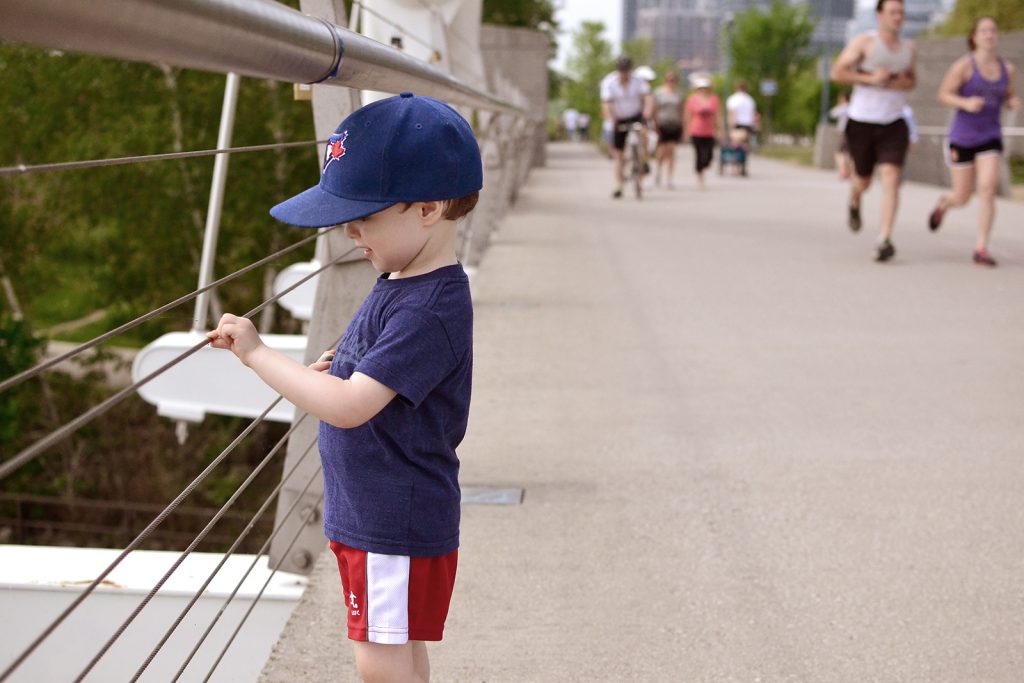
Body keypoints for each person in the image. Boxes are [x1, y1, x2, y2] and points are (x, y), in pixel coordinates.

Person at [207, 92, 480, 683]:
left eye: (365, 216)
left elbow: (354, 406)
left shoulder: (427, 307)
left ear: (429, 207)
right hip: (384, 510)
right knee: (396, 643)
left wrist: (257, 353)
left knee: (379, 662)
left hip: (392, 518)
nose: (350, 230)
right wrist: (339, 361)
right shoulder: (403, 276)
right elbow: (372, 371)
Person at [927, 16, 1021, 267]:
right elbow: (943, 94)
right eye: (984, 31)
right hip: (963, 137)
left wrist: (1012, 101)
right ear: (974, 37)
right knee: (963, 196)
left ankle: (981, 248)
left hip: (990, 136)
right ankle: (945, 204)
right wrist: (965, 103)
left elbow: (1008, 93)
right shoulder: (963, 67)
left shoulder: (1007, 69)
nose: (990, 35)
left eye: (993, 30)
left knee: (988, 188)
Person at [830, 0, 917, 263]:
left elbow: (912, 80)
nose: (898, 17)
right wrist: (869, 79)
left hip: (893, 122)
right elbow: (837, 73)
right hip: (862, 121)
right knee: (864, 181)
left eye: (901, 12)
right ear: (880, 15)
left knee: (891, 177)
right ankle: (855, 199)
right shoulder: (864, 43)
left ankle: (884, 239)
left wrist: (900, 82)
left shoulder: (909, 48)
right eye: (892, 12)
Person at [600, 55, 655, 198]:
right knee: (618, 155)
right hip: (619, 117)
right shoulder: (609, 82)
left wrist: (647, 112)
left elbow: (648, 98)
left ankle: (644, 160)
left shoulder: (638, 81)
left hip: (636, 114)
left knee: (643, 132)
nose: (624, 73)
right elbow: (606, 104)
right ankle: (619, 185)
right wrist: (610, 119)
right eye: (622, 70)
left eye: (626, 70)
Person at [683, 74, 721, 189]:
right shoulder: (692, 99)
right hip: (696, 131)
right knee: (699, 155)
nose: (704, 90)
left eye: (706, 88)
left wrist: (720, 129)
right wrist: (686, 131)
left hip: (709, 131)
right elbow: (688, 115)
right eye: (701, 88)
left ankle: (704, 168)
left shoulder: (714, 99)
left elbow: (718, 115)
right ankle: (700, 178)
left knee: (709, 156)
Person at [652, 68, 685, 188]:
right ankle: (658, 170)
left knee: (672, 150)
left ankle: (669, 178)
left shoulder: (679, 94)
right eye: (669, 80)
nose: (671, 82)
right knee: (662, 150)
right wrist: (654, 124)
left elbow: (681, 110)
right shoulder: (659, 93)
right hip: (662, 124)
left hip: (674, 124)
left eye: (674, 80)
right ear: (665, 80)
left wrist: (683, 126)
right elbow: (654, 109)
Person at [725, 80, 758, 151]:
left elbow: (732, 113)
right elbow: (753, 113)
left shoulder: (733, 98)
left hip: (737, 123)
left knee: (735, 142)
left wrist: (730, 125)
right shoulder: (750, 99)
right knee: (743, 142)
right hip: (748, 124)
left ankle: (735, 157)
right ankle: (743, 157)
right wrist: (755, 125)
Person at [829, 92, 852, 179]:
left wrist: (840, 105)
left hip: (843, 132)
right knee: (849, 153)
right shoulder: (854, 107)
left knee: (839, 153)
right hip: (853, 132)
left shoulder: (843, 107)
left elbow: (832, 113)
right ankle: (849, 171)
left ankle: (843, 171)